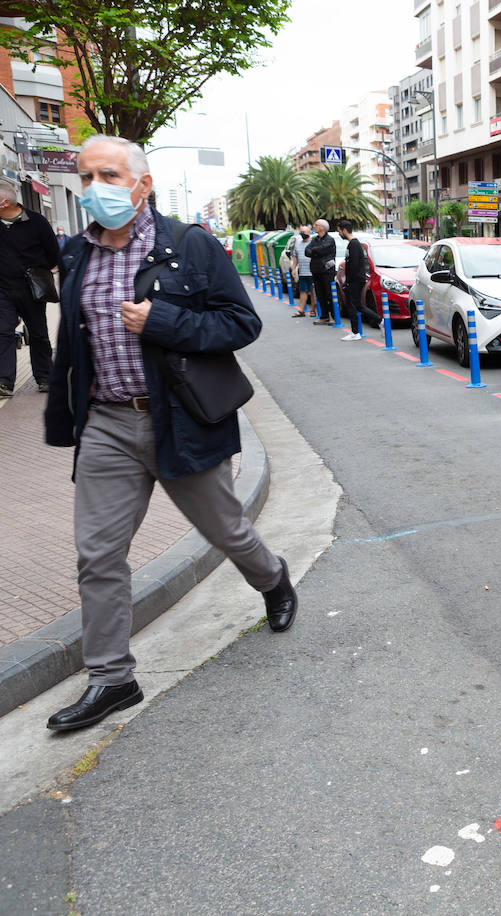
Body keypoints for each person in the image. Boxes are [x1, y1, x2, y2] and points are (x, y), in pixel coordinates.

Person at [42, 135, 298, 733]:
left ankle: (273, 578)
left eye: (108, 174)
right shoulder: (77, 254)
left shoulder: (187, 245)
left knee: (226, 528)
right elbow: (70, 344)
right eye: (86, 176)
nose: (94, 188)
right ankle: (112, 678)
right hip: (106, 420)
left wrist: (165, 321)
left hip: (179, 419)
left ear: (142, 184)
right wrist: (63, 416)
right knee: (98, 553)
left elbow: (241, 322)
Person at [0, 177, 61, 397]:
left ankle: (45, 377)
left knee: (38, 334)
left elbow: (54, 253)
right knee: (3, 333)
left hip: (32, 289)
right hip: (3, 290)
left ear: (4, 202)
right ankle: (4, 382)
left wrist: (41, 272)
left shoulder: (36, 222)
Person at [336, 218, 365, 341]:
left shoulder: (354, 244)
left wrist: (348, 283)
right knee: (356, 305)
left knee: (353, 306)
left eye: (339, 231)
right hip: (354, 280)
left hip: (355, 281)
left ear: (344, 230)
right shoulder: (353, 243)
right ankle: (355, 331)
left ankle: (355, 332)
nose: (339, 234)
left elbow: (353, 266)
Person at [304, 218, 336, 325]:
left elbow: (322, 249)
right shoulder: (314, 239)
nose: (314, 226)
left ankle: (333, 316)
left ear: (322, 227)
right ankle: (324, 316)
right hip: (316, 270)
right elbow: (307, 251)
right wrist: (316, 251)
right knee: (320, 294)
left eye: (316, 225)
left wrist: (315, 251)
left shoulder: (330, 240)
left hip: (327, 271)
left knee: (329, 294)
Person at [289, 225, 314, 318]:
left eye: (305, 232)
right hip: (302, 271)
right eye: (301, 232)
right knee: (303, 291)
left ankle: (313, 310)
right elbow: (295, 256)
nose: (303, 234)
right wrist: (293, 268)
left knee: (313, 291)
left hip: (312, 272)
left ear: (310, 233)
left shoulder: (313, 242)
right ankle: (301, 310)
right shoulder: (298, 243)